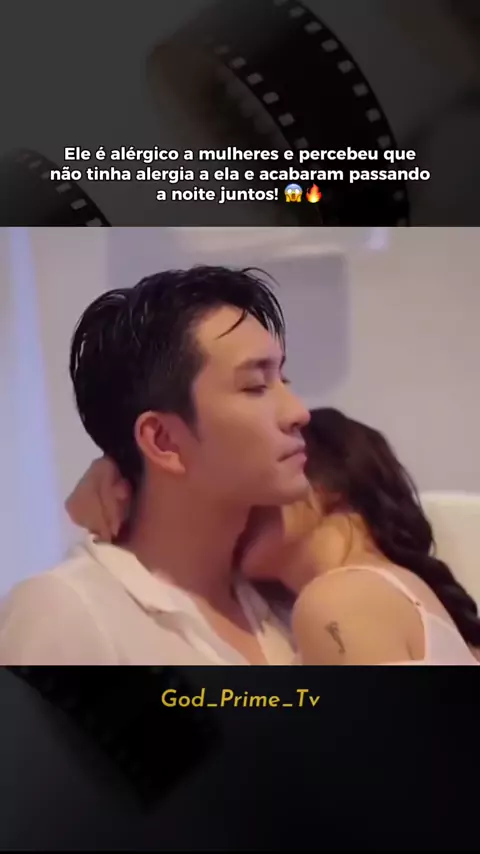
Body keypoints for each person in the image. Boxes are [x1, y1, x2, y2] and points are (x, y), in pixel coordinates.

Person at [0, 265, 311, 666]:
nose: (298, 412)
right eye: (255, 386)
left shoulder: (292, 597)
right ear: (162, 440)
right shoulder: (69, 613)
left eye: (284, 379)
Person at [67, 410, 480, 666]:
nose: (238, 506)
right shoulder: (380, 592)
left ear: (331, 485)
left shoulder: (337, 599)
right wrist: (131, 477)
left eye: (267, 483)